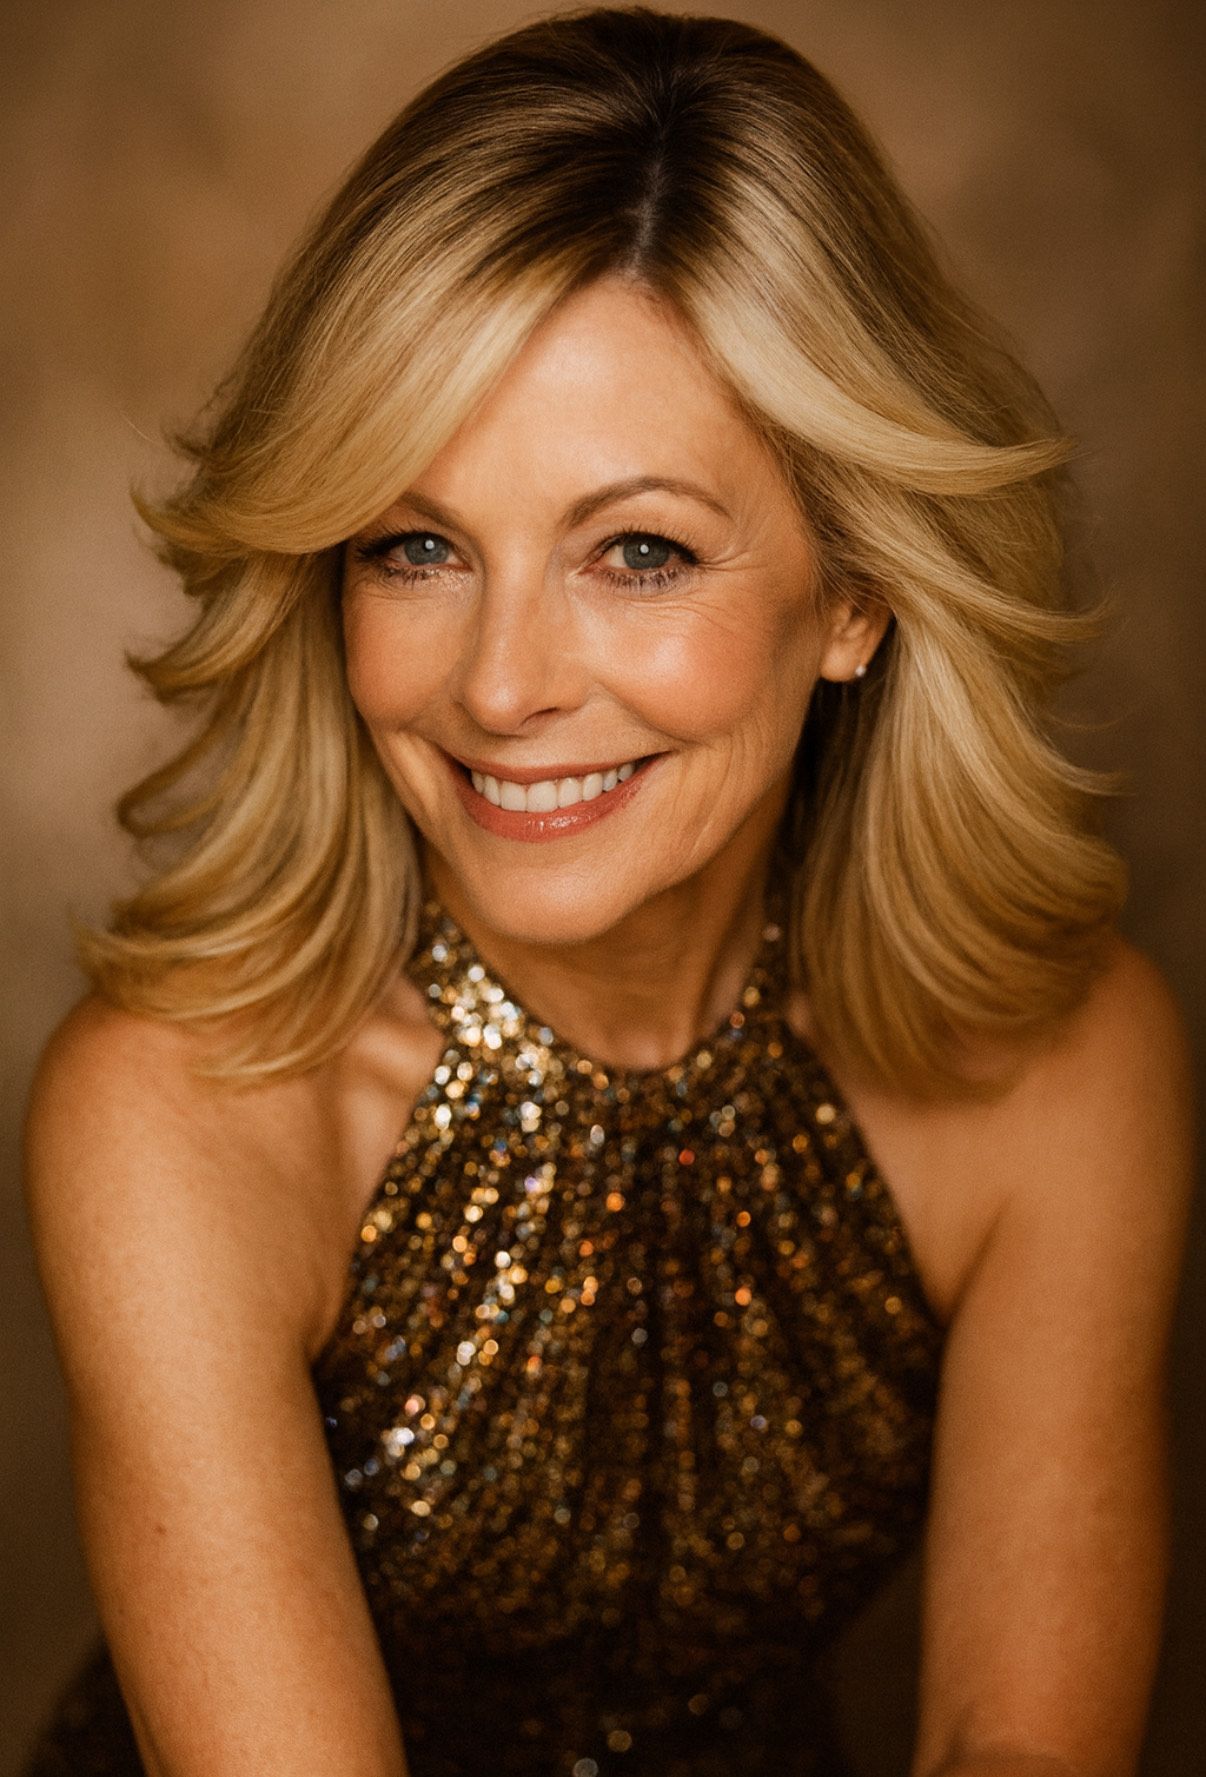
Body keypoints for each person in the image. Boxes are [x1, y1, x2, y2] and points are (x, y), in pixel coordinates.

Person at [20, 5, 1194, 1776]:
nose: (499, 686)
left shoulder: (1061, 1059)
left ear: (858, 593)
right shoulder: (181, 1111)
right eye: (415, 546)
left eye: (635, 550)